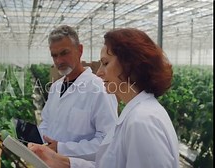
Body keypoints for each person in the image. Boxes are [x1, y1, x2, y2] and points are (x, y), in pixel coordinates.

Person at [28, 28, 180, 168]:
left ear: (130, 65)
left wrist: (62, 150)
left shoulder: (142, 122)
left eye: (106, 63)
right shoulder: (136, 114)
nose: (99, 72)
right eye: (54, 55)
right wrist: (63, 161)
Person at [38, 25, 118, 160]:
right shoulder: (55, 88)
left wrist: (61, 148)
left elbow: (108, 142)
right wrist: (35, 140)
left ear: (80, 50)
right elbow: (46, 122)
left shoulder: (99, 89)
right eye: (54, 55)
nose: (59, 61)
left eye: (64, 53)